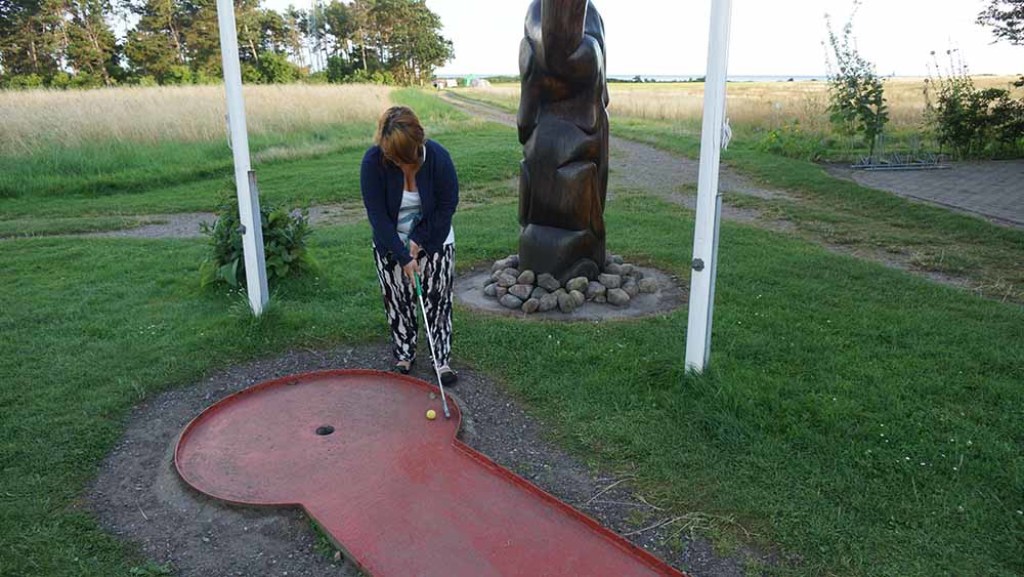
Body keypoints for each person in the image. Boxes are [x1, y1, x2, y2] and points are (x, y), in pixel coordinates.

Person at [360, 106, 458, 385]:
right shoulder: (373, 162)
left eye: (405, 158)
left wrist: (418, 240)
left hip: (435, 238)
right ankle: (405, 353)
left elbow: (447, 205)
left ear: (418, 143)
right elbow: (377, 216)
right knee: (398, 299)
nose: (400, 164)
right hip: (390, 242)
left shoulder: (438, 158)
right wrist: (403, 255)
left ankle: (441, 359)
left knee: (437, 299)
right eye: (394, 158)